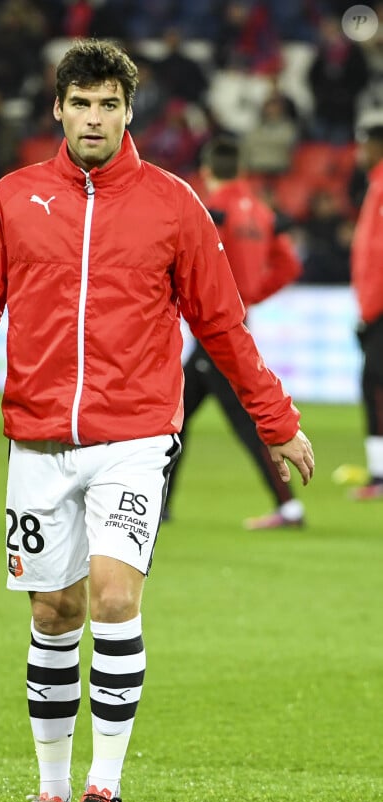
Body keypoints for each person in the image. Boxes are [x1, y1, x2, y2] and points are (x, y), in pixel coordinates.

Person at [0, 40, 314, 802]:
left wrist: (276, 422)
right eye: (80, 103)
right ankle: (51, 794)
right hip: (36, 443)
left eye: (108, 105)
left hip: (135, 438)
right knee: (53, 612)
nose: (94, 118)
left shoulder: (172, 205)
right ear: (57, 108)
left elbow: (223, 325)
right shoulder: (13, 199)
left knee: (113, 597)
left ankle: (105, 789)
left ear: (128, 112)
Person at [164, 135, 305, 530]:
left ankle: (289, 508)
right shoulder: (261, 213)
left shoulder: (212, 211)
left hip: (217, 333)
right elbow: (289, 265)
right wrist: (253, 294)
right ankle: (160, 506)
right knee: (174, 417)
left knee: (235, 422)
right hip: (238, 324)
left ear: (207, 171)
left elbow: (199, 267)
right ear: (240, 170)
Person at [347, 123, 383, 500]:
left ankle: (380, 475)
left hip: (380, 310)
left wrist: (370, 310)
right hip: (374, 307)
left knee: (374, 385)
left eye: (364, 146)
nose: (359, 153)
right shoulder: (375, 184)